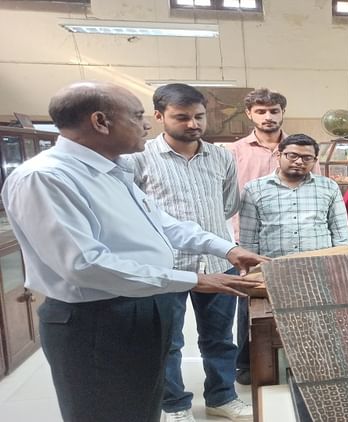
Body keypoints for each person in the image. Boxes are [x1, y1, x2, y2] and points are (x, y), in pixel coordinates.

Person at [0, 81, 268, 422]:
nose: (145, 125)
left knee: (139, 407)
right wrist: (193, 279)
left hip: (138, 303)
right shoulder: (46, 178)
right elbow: (84, 265)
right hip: (97, 319)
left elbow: (164, 223)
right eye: (137, 115)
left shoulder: (111, 170)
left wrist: (227, 249)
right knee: (107, 412)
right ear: (100, 122)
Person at [130, 83, 251, 422]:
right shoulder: (138, 158)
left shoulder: (221, 156)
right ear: (159, 116)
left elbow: (228, 204)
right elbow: (134, 212)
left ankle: (221, 397)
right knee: (168, 341)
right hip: (167, 265)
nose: (193, 124)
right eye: (182, 117)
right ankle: (175, 405)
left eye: (199, 116)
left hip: (218, 261)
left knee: (219, 338)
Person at [226, 88, 319, 383]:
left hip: (299, 238)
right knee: (252, 303)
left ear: (282, 113)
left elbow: (316, 189)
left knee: (303, 302)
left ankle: (302, 359)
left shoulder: (301, 147)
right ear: (249, 114)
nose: (268, 116)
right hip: (251, 237)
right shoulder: (235, 152)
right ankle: (247, 362)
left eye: (274, 111)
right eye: (261, 111)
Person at [239, 134, 348, 260]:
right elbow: (248, 241)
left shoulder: (329, 187)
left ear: (314, 161)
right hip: (273, 266)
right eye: (292, 156)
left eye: (307, 158)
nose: (299, 162)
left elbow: (341, 235)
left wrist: (343, 264)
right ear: (279, 155)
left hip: (320, 265)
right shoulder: (254, 189)